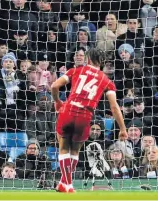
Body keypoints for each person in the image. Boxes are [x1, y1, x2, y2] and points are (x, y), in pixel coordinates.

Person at [50, 48, 128, 193]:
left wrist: (57, 101)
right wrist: (123, 129)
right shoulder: (107, 81)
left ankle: (67, 184)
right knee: (74, 150)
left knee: (63, 147)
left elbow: (54, 85)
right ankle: (65, 184)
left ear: (88, 59)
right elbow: (114, 107)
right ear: (102, 62)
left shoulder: (76, 70)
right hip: (85, 115)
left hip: (68, 110)